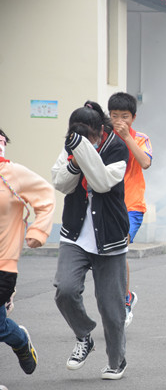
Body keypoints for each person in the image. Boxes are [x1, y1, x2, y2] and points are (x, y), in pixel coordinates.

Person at [51, 101, 130, 380]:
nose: (84, 141)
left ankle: (116, 361)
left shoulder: (117, 148)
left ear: (100, 131)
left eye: (89, 136)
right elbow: (60, 183)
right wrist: (74, 157)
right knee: (65, 290)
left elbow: (101, 182)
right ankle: (84, 334)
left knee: (111, 307)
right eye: (78, 136)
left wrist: (81, 150)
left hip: (109, 238)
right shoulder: (70, 147)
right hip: (74, 234)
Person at [0, 129, 55, 377]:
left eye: (2, 143)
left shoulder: (13, 174)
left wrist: (38, 231)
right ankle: (19, 339)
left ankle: (20, 339)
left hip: (3, 264)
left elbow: (45, 195)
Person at [109, 92, 153, 328]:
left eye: (124, 116)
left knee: (120, 247)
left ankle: (124, 303)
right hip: (106, 206)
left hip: (131, 206)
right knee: (111, 256)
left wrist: (127, 137)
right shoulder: (103, 137)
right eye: (114, 116)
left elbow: (145, 162)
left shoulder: (140, 138)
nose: (119, 121)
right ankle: (122, 297)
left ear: (133, 117)